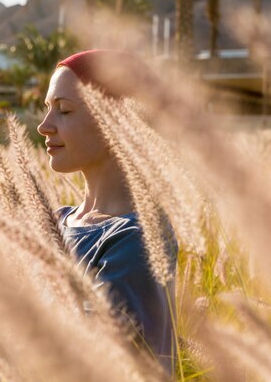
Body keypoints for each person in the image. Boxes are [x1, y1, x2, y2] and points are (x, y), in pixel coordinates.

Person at [37, 49, 179, 375]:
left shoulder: (135, 241)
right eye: (47, 109)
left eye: (64, 111)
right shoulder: (55, 221)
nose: (44, 126)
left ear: (118, 121)